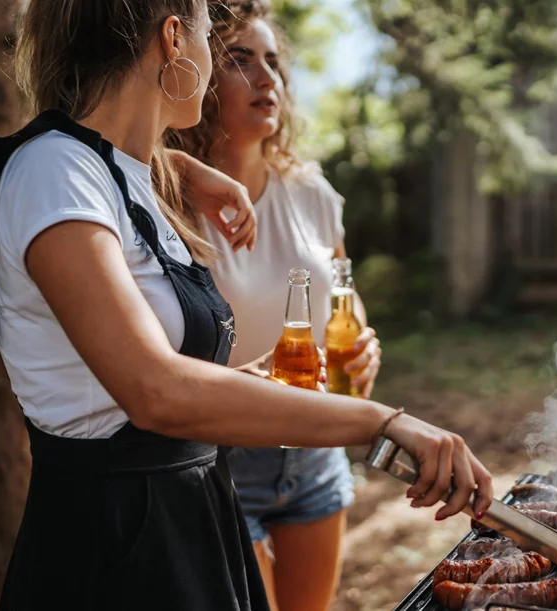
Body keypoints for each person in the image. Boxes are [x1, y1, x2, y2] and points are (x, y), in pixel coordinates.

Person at [0, 0, 493, 609]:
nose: (215, 63)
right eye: (214, 39)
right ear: (173, 40)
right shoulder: (55, 172)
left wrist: (258, 379)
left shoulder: (120, 176)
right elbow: (154, 390)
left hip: (190, 518)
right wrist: (382, 421)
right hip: (113, 546)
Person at [169, 3, 377, 609]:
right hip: (221, 459)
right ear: (202, 76)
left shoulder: (311, 190)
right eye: (240, 60)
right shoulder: (164, 200)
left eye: (274, 63)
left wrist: (362, 342)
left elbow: (344, 290)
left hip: (316, 451)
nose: (268, 78)